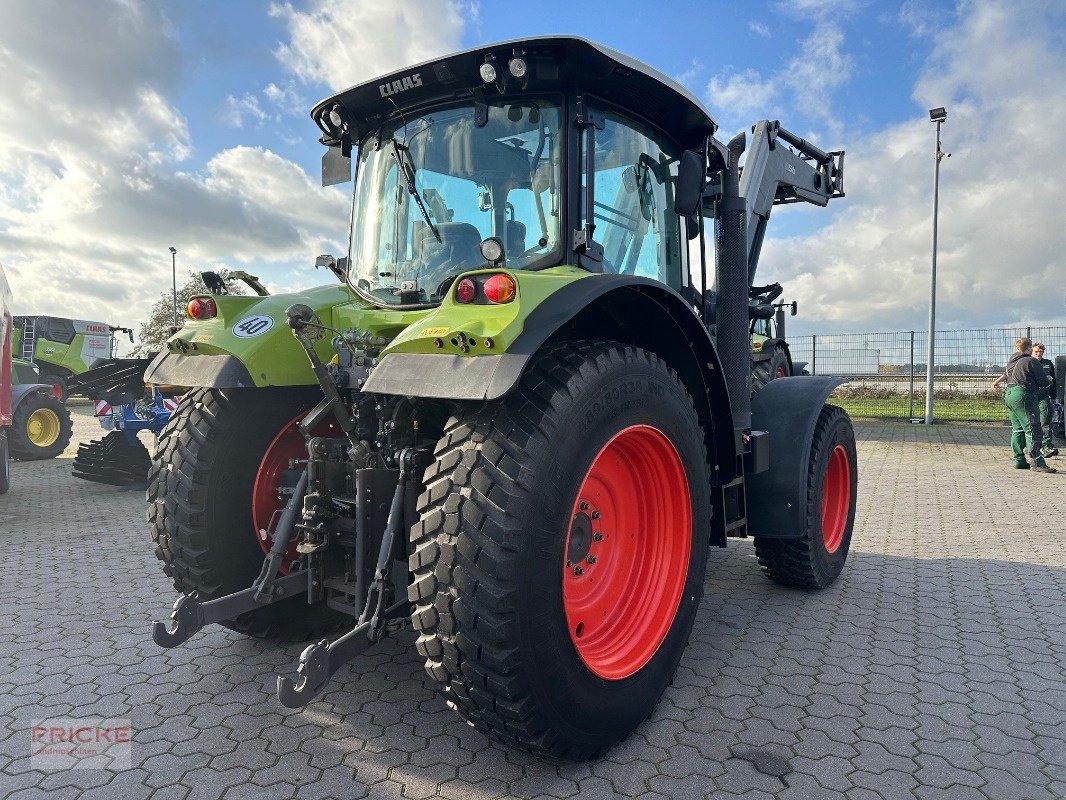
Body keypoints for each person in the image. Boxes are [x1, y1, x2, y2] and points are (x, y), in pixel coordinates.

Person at [991, 338, 1055, 472]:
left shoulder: (1011, 361)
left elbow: (1008, 376)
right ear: (1029, 348)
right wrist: (1049, 380)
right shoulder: (1031, 361)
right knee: (1032, 428)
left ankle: (1019, 460)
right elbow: (1043, 381)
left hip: (1009, 395)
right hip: (1023, 395)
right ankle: (1037, 462)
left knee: (1017, 429)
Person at [1031, 343, 1058, 457]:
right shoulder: (1028, 362)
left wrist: (1054, 395)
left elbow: (1054, 380)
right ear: (1032, 351)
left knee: (1045, 419)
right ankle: (1032, 445)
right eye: (1036, 352)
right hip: (1031, 396)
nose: (1038, 354)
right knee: (1032, 420)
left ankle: (1046, 445)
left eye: (1040, 352)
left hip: (1044, 396)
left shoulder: (1047, 363)